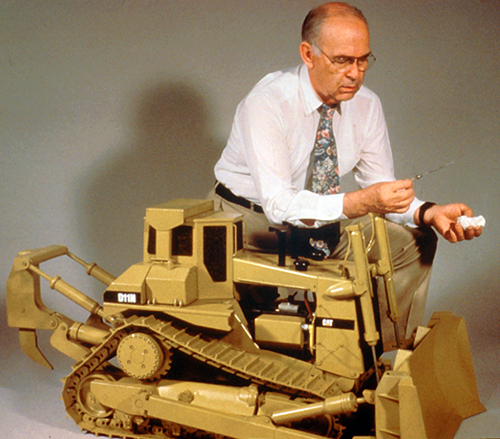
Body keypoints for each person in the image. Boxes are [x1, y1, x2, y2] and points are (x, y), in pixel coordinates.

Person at [211, 2, 482, 349]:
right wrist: (360, 203)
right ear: (308, 54)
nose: (355, 73)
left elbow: (379, 192)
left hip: (319, 221)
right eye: (342, 61)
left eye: (363, 60)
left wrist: (427, 212)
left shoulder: (367, 105)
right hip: (245, 222)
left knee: (415, 240)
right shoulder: (267, 103)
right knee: (244, 333)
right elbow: (279, 204)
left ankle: (376, 357)